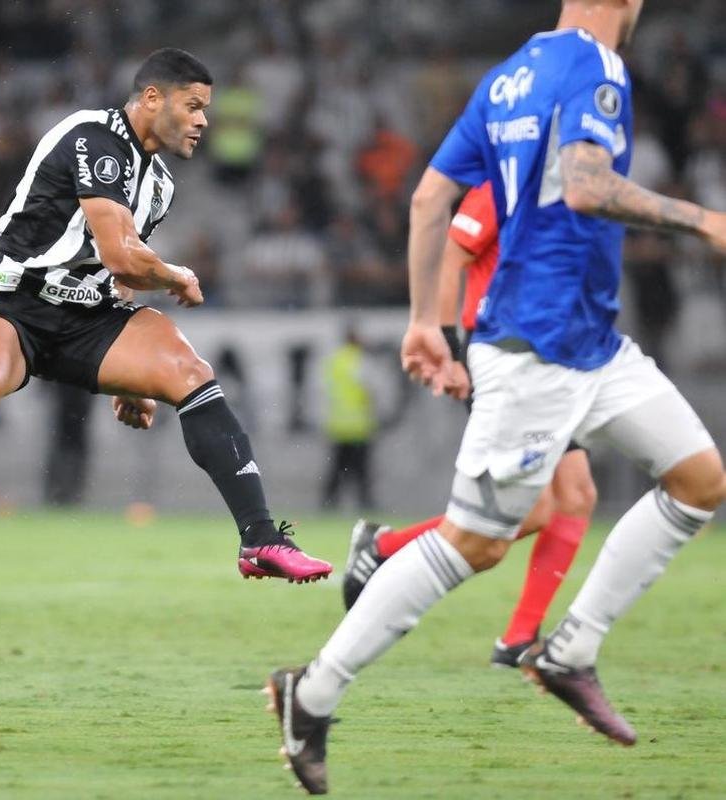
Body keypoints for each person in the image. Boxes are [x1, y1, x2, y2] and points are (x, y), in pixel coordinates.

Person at [266, 2, 726, 793]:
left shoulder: (509, 76)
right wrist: (701, 219)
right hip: (534, 351)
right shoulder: (596, 64)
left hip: (591, 345)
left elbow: (426, 201)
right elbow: (585, 188)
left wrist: (423, 323)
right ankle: (309, 693)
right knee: (474, 543)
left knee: (698, 480)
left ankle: (571, 651)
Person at [0, 48, 333, 598]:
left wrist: (130, 379)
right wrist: (177, 275)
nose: (205, 120)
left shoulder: (160, 184)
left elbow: (120, 278)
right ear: (153, 98)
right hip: (12, 298)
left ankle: (260, 539)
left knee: (190, 372)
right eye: (194, 105)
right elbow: (121, 255)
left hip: (86, 314)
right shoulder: (93, 135)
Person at [341, 181, 598, 671]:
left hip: (550, 361)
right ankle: (515, 637)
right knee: (541, 506)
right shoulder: (505, 181)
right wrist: (451, 351)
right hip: (500, 359)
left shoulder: (570, 190)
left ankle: (516, 637)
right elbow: (450, 257)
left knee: (571, 496)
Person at [321, 325, 377, 510]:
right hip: (358, 426)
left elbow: (327, 389)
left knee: (337, 469)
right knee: (361, 471)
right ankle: (365, 503)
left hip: (339, 425)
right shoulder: (360, 361)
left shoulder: (336, 361)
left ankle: (328, 504)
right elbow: (369, 390)